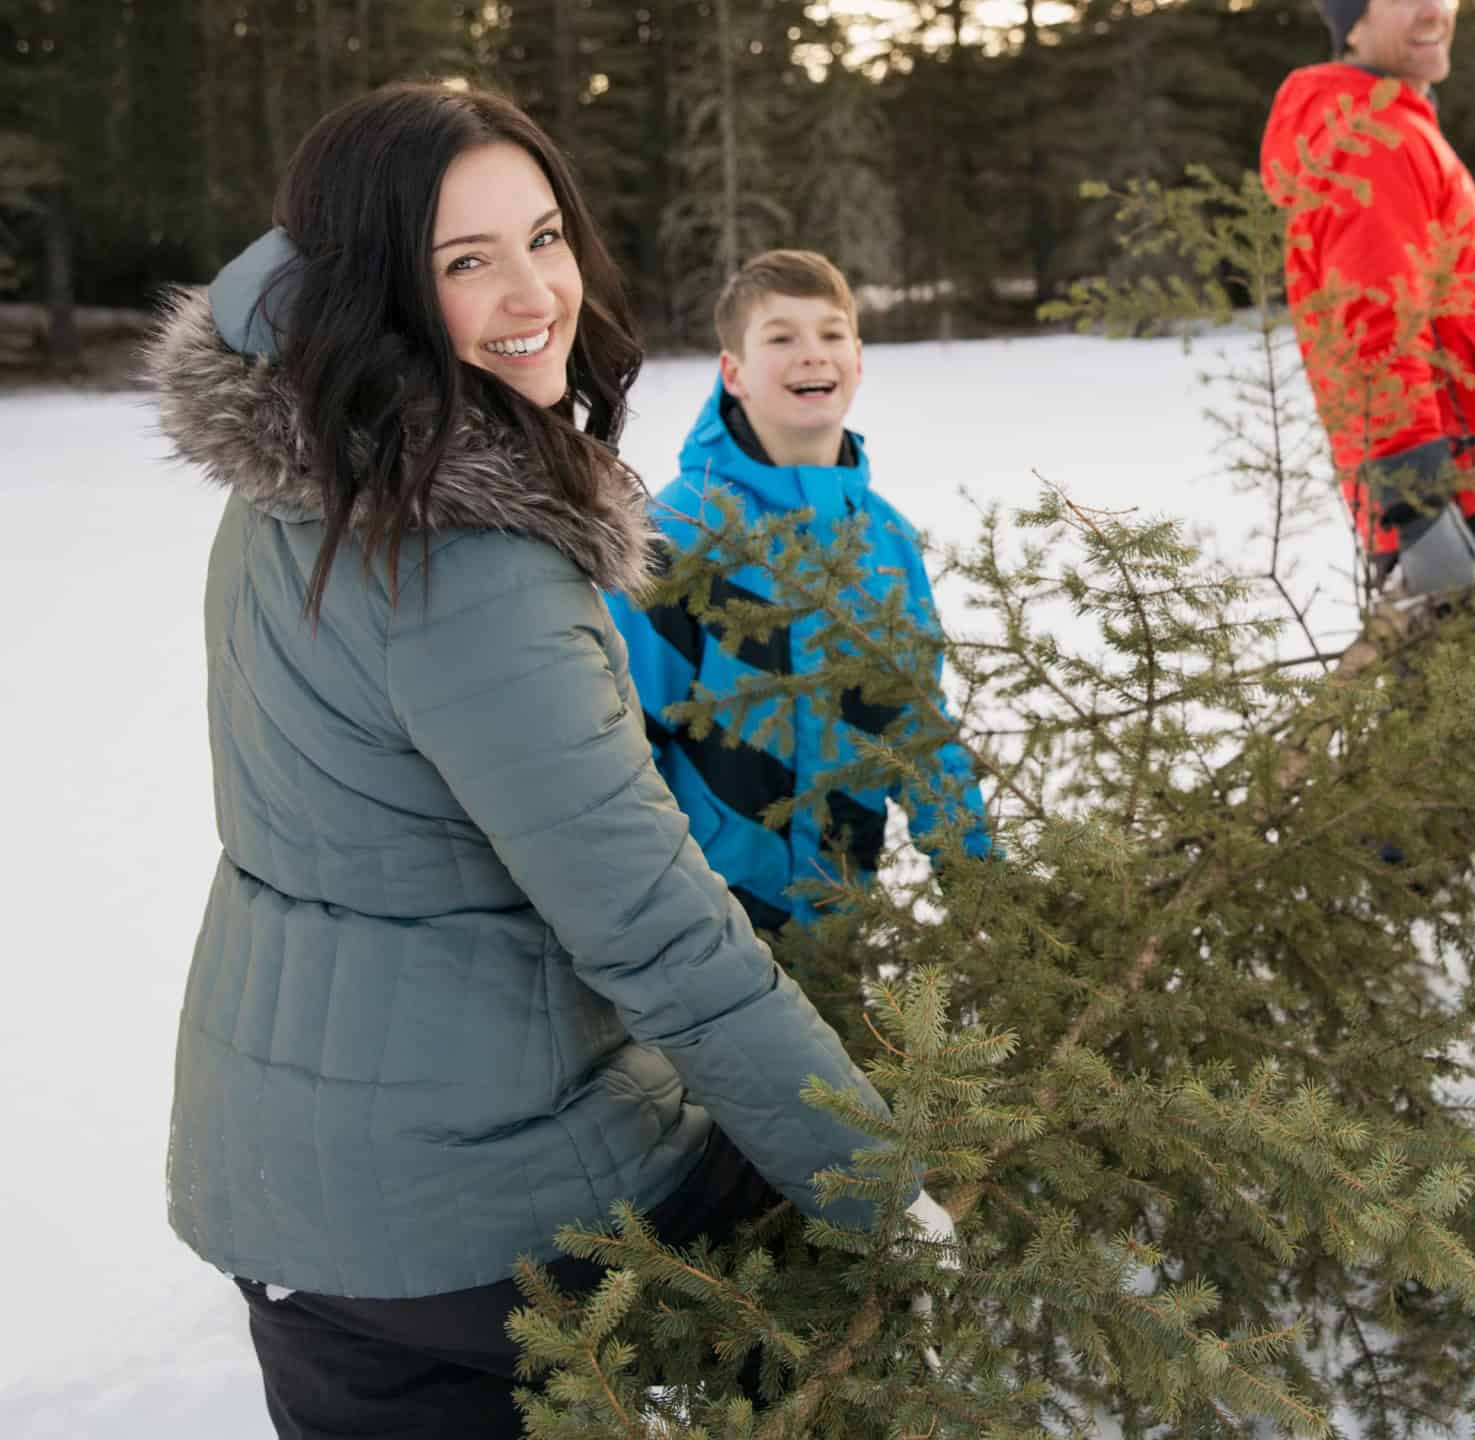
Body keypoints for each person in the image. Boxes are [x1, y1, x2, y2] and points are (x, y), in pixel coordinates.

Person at [147, 85, 930, 1438]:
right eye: (465, 261)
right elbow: (660, 934)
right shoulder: (466, 565)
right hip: (468, 1207)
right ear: (376, 285)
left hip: (274, 1177)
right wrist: (881, 1195)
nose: (536, 292)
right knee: (806, 1240)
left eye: (545, 235)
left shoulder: (296, 475)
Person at [602, 250, 993, 934]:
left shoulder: (887, 544)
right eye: (781, 337)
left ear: (860, 359)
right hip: (711, 934)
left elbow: (921, 733)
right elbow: (625, 742)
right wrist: (670, 913)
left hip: (843, 924)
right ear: (734, 371)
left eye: (832, 334)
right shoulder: (680, 534)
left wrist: (983, 884)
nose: (812, 355)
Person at [1261, 0, 1475, 610]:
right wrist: (1419, 514)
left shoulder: (1395, 124)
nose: (1434, 11)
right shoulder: (1370, 138)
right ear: (1352, 22)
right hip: (1456, 510)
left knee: (1461, 705)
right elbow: (1376, 329)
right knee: (1467, 704)